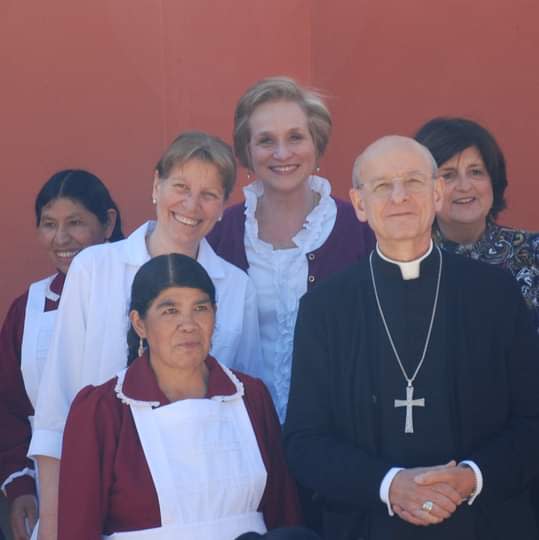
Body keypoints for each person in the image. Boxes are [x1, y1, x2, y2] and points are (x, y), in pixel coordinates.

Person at [284, 135, 539, 539]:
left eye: (413, 182)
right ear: (361, 204)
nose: (399, 196)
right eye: (383, 185)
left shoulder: (494, 294)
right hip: (370, 525)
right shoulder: (324, 308)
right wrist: (389, 486)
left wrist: (472, 477)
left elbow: (532, 420)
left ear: (437, 194)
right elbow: (304, 441)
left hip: (485, 523)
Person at [29, 132, 262, 540]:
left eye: (208, 194)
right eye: (181, 187)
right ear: (156, 186)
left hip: (201, 510)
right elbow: (55, 412)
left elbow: (243, 415)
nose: (191, 206)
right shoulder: (93, 269)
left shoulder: (237, 287)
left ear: (225, 207)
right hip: (99, 498)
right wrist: (53, 527)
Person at [57, 254, 300, 539]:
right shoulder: (103, 411)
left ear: (215, 315)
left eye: (200, 308)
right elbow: (77, 530)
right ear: (139, 324)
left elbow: (284, 514)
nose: (188, 324)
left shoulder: (251, 397)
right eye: (169, 310)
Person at [208, 77, 375, 423]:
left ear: (316, 144)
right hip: (241, 431)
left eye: (295, 137)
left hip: (340, 432)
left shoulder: (360, 229)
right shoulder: (218, 234)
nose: (282, 154)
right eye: (266, 141)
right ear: (247, 153)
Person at [0, 169, 122, 540]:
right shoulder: (30, 307)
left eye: (75, 223)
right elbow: (9, 405)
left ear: (108, 223)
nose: (61, 238)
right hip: (48, 485)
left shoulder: (138, 295)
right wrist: (20, 485)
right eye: (49, 224)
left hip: (126, 480)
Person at [414, 117, 539, 330]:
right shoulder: (409, 263)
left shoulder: (533, 251)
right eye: (448, 175)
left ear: (493, 179)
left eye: (476, 172)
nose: (465, 186)